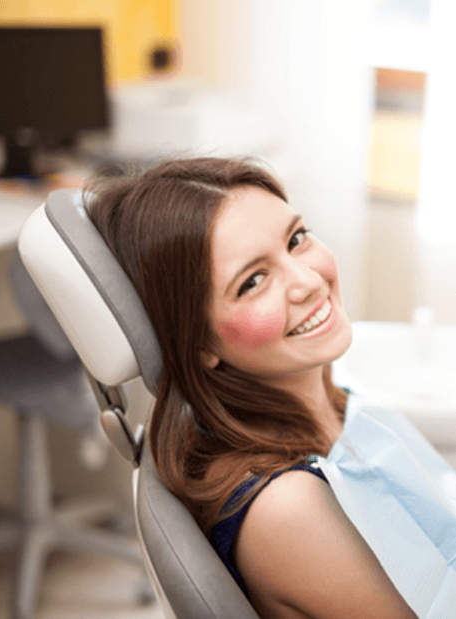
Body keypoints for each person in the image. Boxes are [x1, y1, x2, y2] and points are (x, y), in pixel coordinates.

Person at [89, 158, 417, 618]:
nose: (309, 281)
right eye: (253, 281)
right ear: (197, 340)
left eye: (296, 240)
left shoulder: (338, 409)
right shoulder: (287, 507)